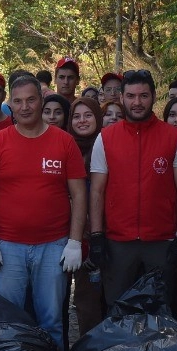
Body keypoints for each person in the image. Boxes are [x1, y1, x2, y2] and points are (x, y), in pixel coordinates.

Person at [0, 73, 87, 348]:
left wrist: (75, 242)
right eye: (18, 101)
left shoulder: (64, 142)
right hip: (8, 246)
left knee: (51, 321)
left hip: (53, 246)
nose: (25, 107)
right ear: (10, 105)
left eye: (31, 100)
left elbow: (79, 193)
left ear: (41, 101)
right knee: (8, 321)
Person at [88, 70, 177, 305]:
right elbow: (97, 190)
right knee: (117, 311)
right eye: (131, 96)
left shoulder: (174, 137)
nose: (137, 102)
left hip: (162, 241)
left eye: (143, 96)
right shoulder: (105, 138)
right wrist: (96, 237)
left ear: (154, 97)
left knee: (162, 313)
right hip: (118, 242)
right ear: (121, 98)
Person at [68, 97, 107, 334]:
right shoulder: (64, 146)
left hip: (107, 232)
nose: (82, 121)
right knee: (85, 300)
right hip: (74, 235)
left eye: (88, 115)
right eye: (76, 116)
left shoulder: (107, 145)